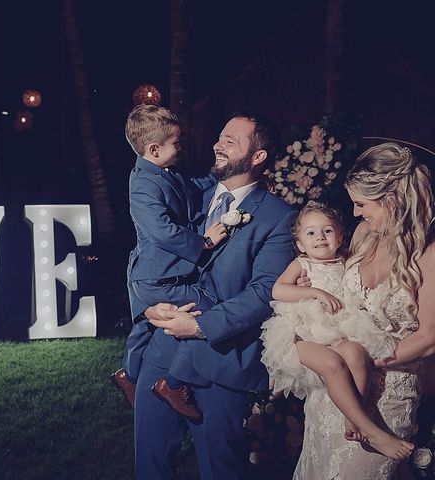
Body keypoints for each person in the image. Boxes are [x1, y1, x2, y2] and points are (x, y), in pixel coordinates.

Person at [139, 112, 297, 480]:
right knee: (150, 464)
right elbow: (149, 251)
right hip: (160, 351)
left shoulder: (279, 217)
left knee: (220, 469)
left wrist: (198, 326)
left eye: (231, 141)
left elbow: (265, 292)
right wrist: (147, 306)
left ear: (258, 157)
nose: (218, 144)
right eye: (220, 136)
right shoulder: (188, 195)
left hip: (220, 359)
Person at [294, 142, 435, 479]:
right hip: (337, 388)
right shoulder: (362, 235)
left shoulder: (430, 253)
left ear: (393, 200)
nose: (356, 213)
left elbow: (429, 338)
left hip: (389, 393)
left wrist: (364, 359)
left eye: (362, 204)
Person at [260, 200, 413, 459]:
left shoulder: (347, 262)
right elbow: (278, 290)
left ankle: (354, 418)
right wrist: (313, 291)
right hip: (301, 334)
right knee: (334, 365)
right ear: (299, 243)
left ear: (341, 236)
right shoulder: (302, 265)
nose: (320, 237)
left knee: (357, 355)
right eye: (310, 233)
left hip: (338, 329)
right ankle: (372, 431)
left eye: (328, 230)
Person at [110, 104, 227, 421]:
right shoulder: (142, 184)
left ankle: (129, 375)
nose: (181, 147)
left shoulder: (165, 171)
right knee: (211, 308)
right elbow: (163, 231)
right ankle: (173, 384)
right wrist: (203, 242)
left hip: (156, 276)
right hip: (157, 278)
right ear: (153, 148)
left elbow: (193, 186)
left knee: (145, 328)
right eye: (177, 142)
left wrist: (220, 176)